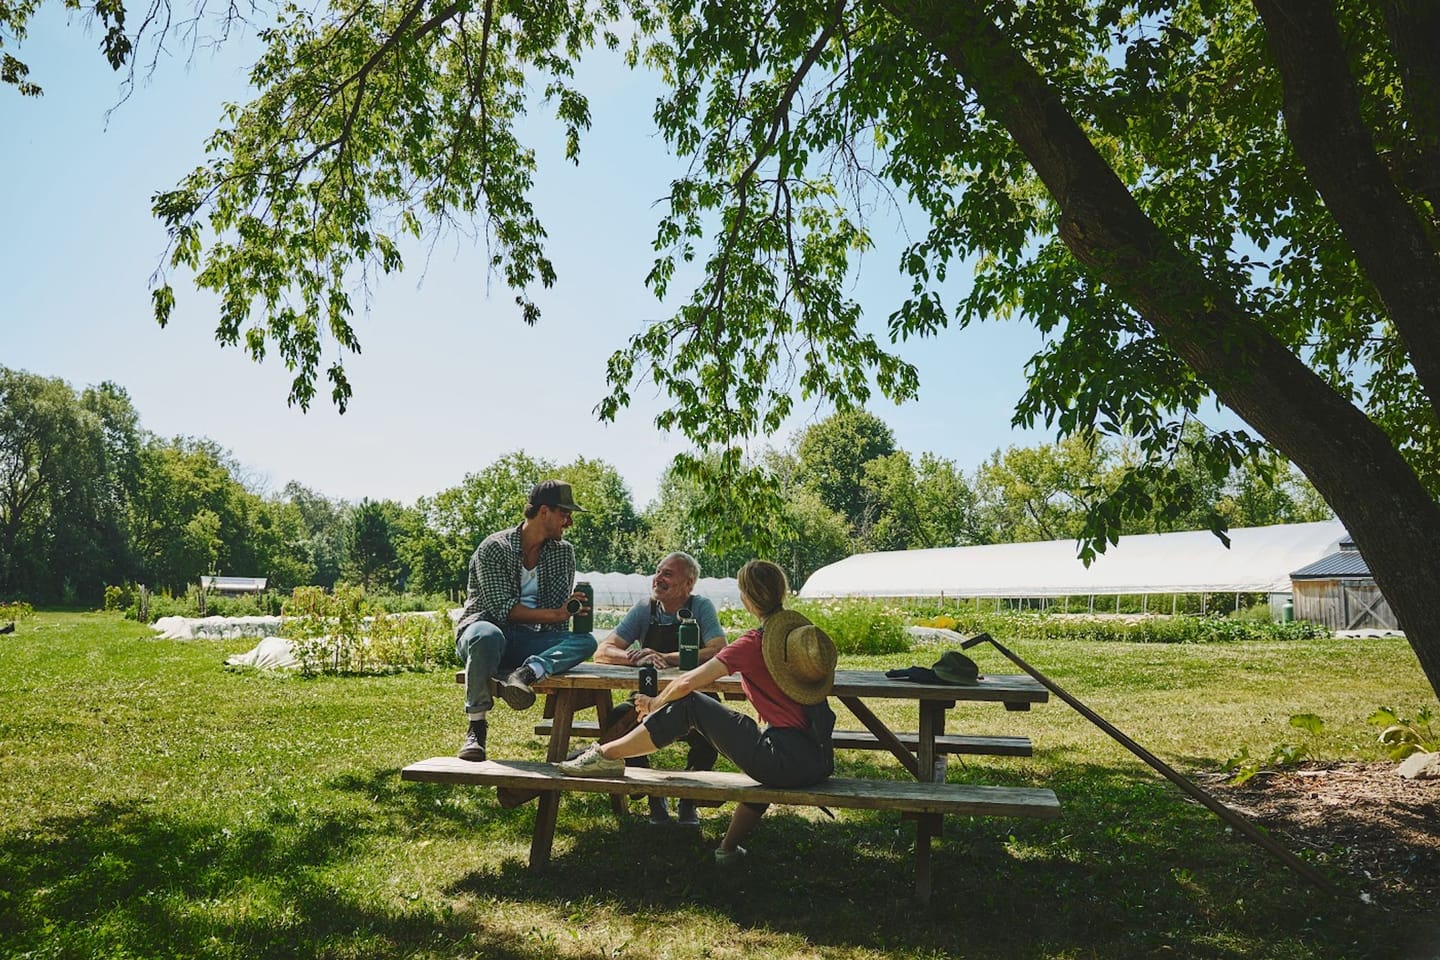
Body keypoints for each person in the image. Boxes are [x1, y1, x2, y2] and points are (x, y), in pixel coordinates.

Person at [559, 559, 837, 864]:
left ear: (746, 598)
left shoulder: (752, 643)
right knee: (752, 736)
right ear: (781, 592)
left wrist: (654, 703)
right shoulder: (797, 637)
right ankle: (727, 850)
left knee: (691, 703)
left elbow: (688, 682)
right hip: (818, 758)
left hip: (782, 761)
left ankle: (605, 755)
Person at [454, 479, 598, 762]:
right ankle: (476, 729)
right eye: (565, 514)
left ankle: (525, 674)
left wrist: (568, 613)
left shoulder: (563, 552)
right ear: (544, 511)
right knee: (487, 635)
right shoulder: (494, 548)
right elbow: (502, 610)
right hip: (486, 632)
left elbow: (557, 620)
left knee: (585, 641)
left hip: (527, 642)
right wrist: (558, 613)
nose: (569, 522)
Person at [593, 551, 727, 825]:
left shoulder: (700, 606)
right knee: (619, 718)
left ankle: (688, 798)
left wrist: (667, 657)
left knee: (711, 723)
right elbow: (602, 651)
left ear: (688, 583)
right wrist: (636, 657)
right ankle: (652, 794)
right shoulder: (645, 608)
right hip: (648, 696)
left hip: (693, 694)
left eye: (668, 574)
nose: (658, 578)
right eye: (657, 572)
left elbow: (718, 649)